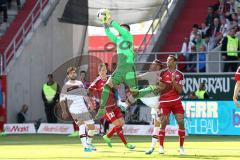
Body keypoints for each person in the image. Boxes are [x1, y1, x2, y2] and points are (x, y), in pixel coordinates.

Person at [96, 9, 154, 118]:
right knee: (107, 86)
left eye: (122, 28)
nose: (120, 30)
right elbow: (108, 33)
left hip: (129, 68)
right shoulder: (118, 40)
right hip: (120, 68)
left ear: (127, 30)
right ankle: (102, 108)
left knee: (135, 94)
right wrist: (105, 23)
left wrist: (110, 20)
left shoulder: (128, 36)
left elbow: (119, 29)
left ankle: (150, 89)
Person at [89, 64, 135, 149]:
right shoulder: (96, 81)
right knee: (117, 125)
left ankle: (107, 136)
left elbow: (118, 85)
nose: (104, 72)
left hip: (114, 106)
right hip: (106, 108)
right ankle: (126, 144)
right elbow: (89, 90)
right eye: (102, 70)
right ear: (99, 72)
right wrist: (92, 100)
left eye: (105, 70)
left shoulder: (110, 78)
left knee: (122, 123)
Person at [60, 67, 96, 152]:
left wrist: (90, 104)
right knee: (82, 125)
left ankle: (88, 143)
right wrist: (64, 111)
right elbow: (61, 100)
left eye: (74, 73)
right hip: (74, 109)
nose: (73, 74)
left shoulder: (80, 83)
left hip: (83, 108)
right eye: (71, 73)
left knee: (92, 128)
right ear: (68, 75)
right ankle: (85, 147)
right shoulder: (66, 86)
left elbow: (85, 95)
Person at [158, 55, 186, 155]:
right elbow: (160, 89)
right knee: (163, 123)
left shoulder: (180, 75)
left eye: (170, 60)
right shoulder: (162, 73)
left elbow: (180, 90)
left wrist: (174, 81)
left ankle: (181, 147)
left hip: (176, 101)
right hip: (164, 102)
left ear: (175, 62)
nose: (167, 62)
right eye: (167, 60)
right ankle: (161, 147)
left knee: (181, 122)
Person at [136, 59, 164, 154]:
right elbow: (137, 78)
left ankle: (157, 147)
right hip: (155, 103)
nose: (151, 66)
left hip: (160, 103)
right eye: (151, 64)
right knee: (157, 126)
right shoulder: (149, 74)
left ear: (158, 67)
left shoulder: (162, 76)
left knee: (159, 126)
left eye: (153, 65)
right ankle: (155, 147)